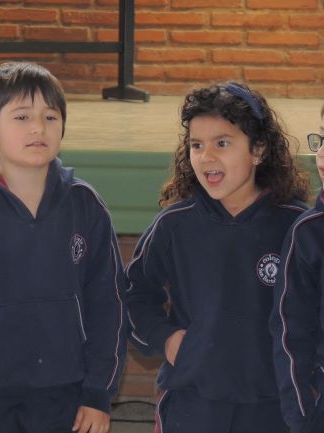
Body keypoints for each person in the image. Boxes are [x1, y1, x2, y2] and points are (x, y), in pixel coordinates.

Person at [0, 62, 126, 433]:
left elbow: (108, 304)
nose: (38, 128)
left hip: (68, 393)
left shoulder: (86, 207)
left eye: (50, 116)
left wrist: (98, 392)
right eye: (21, 117)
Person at [126, 82, 310, 433]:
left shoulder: (296, 226)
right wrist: (167, 339)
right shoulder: (174, 224)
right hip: (192, 405)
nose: (206, 156)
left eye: (222, 143)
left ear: (258, 150)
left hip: (274, 408)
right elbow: (133, 294)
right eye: (197, 145)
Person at [269, 114, 324, 433]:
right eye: (322, 138)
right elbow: (291, 333)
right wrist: (301, 418)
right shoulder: (308, 234)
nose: (322, 153)